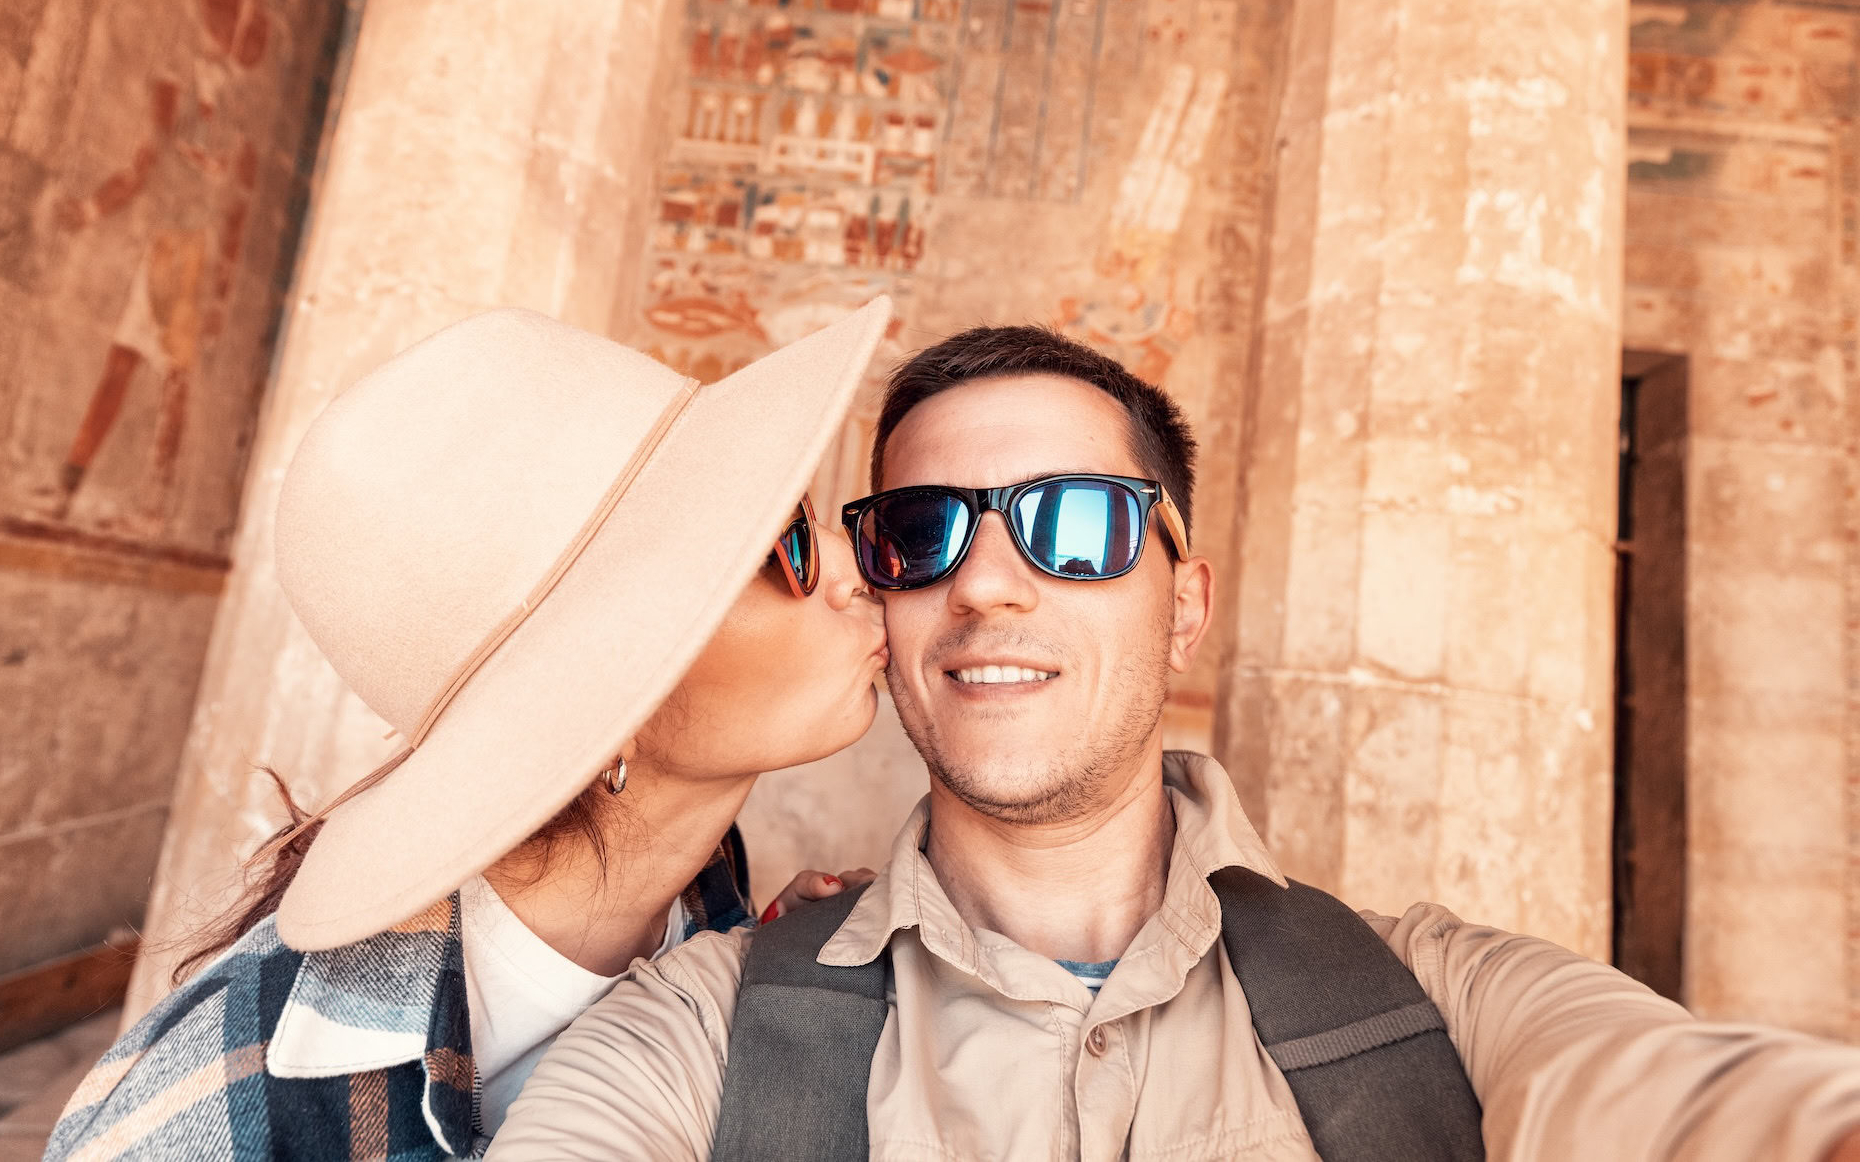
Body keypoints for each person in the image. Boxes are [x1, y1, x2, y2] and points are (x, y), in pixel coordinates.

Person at [491, 324, 1860, 1162]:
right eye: (922, 534)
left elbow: (1677, 1098)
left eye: (1074, 523)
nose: (988, 586)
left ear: (1185, 601)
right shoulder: (691, 1032)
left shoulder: (1438, 995)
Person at [45, 297, 892, 1160]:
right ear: (608, 705)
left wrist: (764, 979)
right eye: (780, 544)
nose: (853, 567)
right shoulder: (210, 1122)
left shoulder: (710, 911)